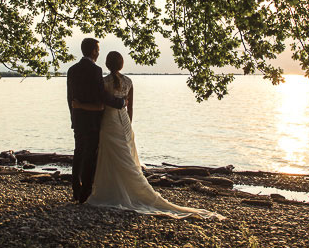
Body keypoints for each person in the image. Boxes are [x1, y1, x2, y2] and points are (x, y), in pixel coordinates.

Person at [75, 51, 224, 220]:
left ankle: (112, 188)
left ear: (108, 64)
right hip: (123, 121)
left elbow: (102, 105)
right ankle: (130, 187)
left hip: (109, 122)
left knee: (112, 156)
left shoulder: (104, 82)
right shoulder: (129, 82)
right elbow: (129, 108)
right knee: (126, 156)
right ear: (121, 64)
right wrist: (128, 125)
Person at [67, 38, 125, 203]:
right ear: (93, 51)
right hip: (92, 119)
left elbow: (69, 97)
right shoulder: (95, 70)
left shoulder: (72, 70)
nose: (98, 53)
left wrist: (73, 116)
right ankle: (85, 193)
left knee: (78, 153)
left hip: (78, 118)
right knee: (90, 156)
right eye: (97, 50)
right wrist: (119, 102)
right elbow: (101, 95)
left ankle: (76, 191)